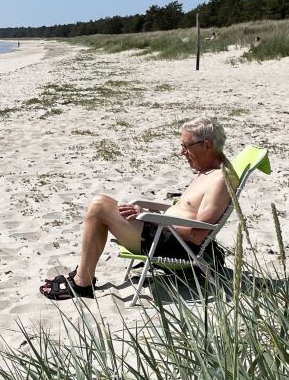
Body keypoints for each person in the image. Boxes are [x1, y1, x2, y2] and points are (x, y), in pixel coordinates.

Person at [40, 116, 231, 300]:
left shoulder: (219, 180)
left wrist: (152, 219)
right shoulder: (207, 172)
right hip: (165, 232)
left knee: (99, 207)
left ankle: (82, 282)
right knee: (101, 203)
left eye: (186, 146)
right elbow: (189, 214)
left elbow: (198, 234)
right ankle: (84, 274)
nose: (181, 152)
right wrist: (155, 216)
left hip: (174, 246)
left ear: (207, 146)